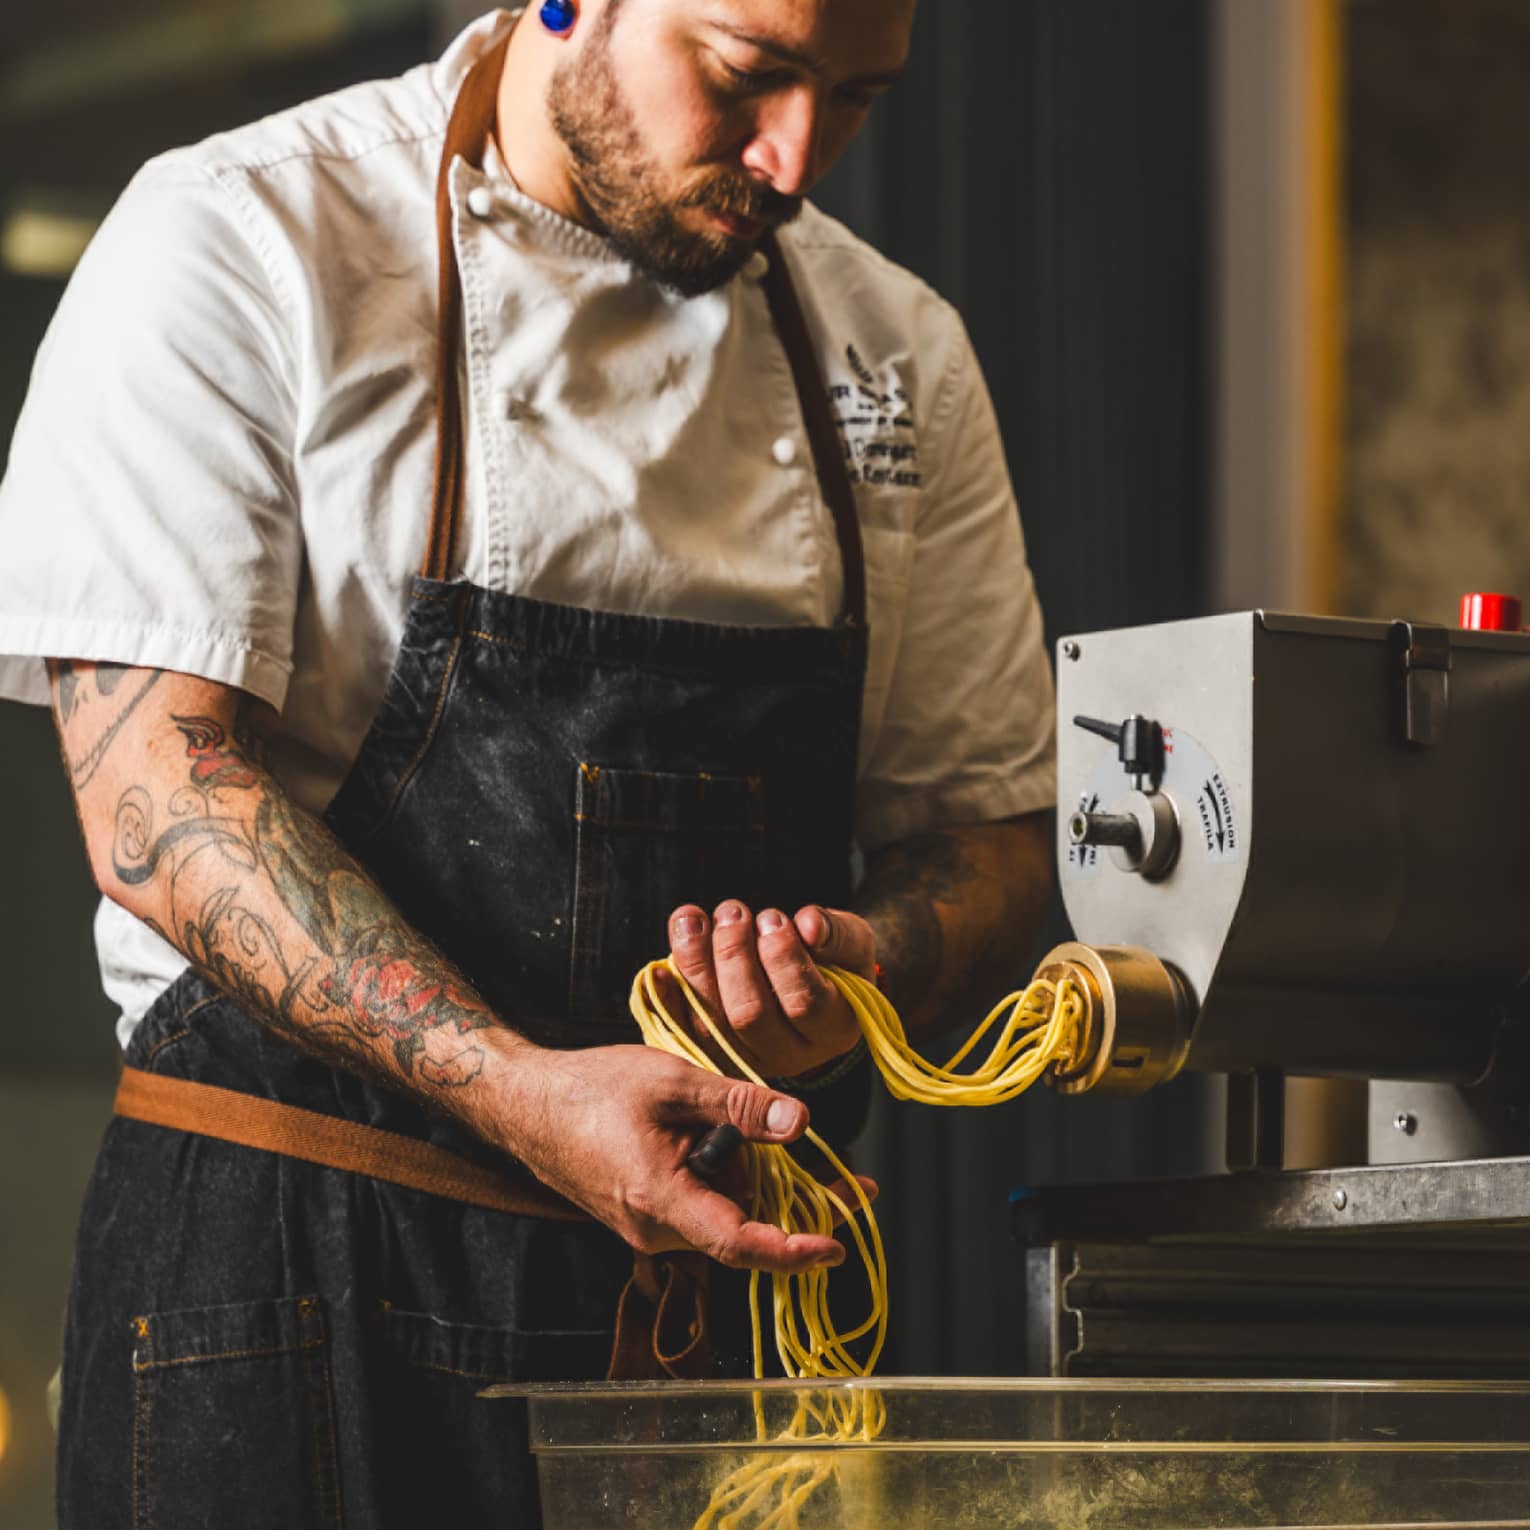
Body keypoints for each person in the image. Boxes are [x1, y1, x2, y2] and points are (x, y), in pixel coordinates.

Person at [0, 1, 1055, 1523]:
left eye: (857, 100)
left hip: (702, 1344)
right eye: (747, 73)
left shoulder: (895, 352)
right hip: (283, 1307)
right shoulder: (244, 239)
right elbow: (155, 791)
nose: (794, 159)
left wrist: (871, 969)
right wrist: (518, 1090)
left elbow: (989, 834)